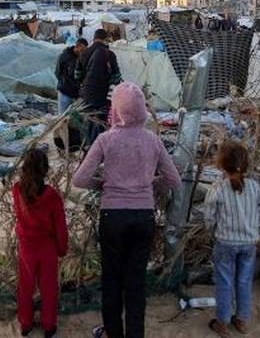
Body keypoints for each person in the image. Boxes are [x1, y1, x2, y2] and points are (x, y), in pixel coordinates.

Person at [72, 82, 181, 338]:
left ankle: (113, 333)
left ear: (117, 109)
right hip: (143, 216)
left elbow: (79, 180)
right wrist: (151, 186)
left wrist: (103, 184)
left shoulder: (105, 139)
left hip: (112, 216)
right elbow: (173, 180)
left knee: (112, 280)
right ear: (142, 108)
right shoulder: (152, 140)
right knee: (135, 283)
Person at [203, 140, 260, 337]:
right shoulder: (255, 187)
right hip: (249, 244)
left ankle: (222, 322)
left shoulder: (217, 188)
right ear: (245, 163)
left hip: (225, 243)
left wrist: (214, 232)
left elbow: (208, 218)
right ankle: (241, 320)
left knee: (224, 282)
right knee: (245, 281)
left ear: (221, 164)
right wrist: (254, 227)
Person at [12, 148, 68, 338]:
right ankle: (49, 324)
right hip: (47, 247)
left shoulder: (17, 190)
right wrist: (62, 249)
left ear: (25, 168)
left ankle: (26, 323)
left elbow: (19, 217)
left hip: (26, 246)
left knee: (25, 286)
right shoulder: (52, 195)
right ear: (46, 170)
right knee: (49, 287)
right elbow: (60, 226)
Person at [75, 29, 122, 149]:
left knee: (89, 122)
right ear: (105, 39)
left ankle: (89, 149)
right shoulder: (109, 54)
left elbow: (77, 76)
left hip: (86, 96)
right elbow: (116, 78)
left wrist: (86, 82)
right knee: (101, 123)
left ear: (94, 38)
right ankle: (100, 150)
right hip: (102, 96)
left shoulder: (84, 53)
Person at [55, 38, 88, 114]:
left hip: (75, 94)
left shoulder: (81, 58)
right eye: (82, 49)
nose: (83, 52)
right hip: (65, 92)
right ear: (77, 46)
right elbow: (57, 72)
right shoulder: (64, 56)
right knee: (63, 117)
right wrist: (64, 82)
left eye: (84, 50)